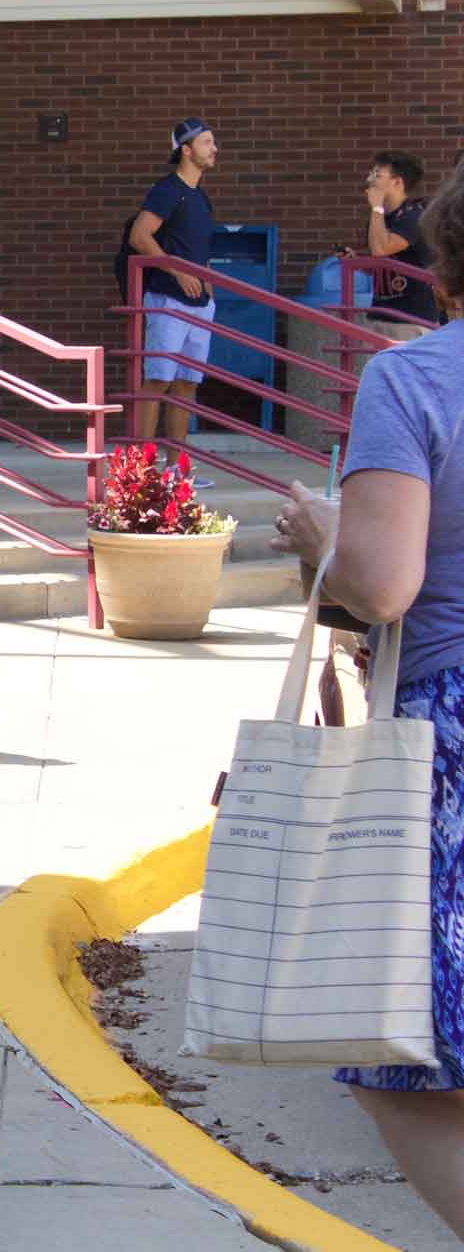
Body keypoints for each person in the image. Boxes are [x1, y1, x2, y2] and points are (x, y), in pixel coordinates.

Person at [271, 160, 464, 1237]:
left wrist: (319, 538)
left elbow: (383, 584)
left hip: (451, 737)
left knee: (405, 1058)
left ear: (442, 267)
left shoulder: (414, 380)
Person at [127, 118, 219, 477]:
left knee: (187, 383)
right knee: (158, 380)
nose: (214, 149)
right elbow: (140, 235)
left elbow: (200, 245)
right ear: (186, 149)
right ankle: (140, 469)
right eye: (207, 142)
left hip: (199, 304)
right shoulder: (168, 190)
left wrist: (208, 284)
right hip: (168, 300)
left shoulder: (202, 196)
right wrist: (178, 271)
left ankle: (176, 469)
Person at [360, 150, 437, 337]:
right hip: (380, 313)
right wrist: (356, 259)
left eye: (377, 175)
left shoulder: (413, 215)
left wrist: (376, 206)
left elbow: (381, 249)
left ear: (397, 182)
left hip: (409, 318)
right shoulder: (379, 217)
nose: (369, 179)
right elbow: (380, 260)